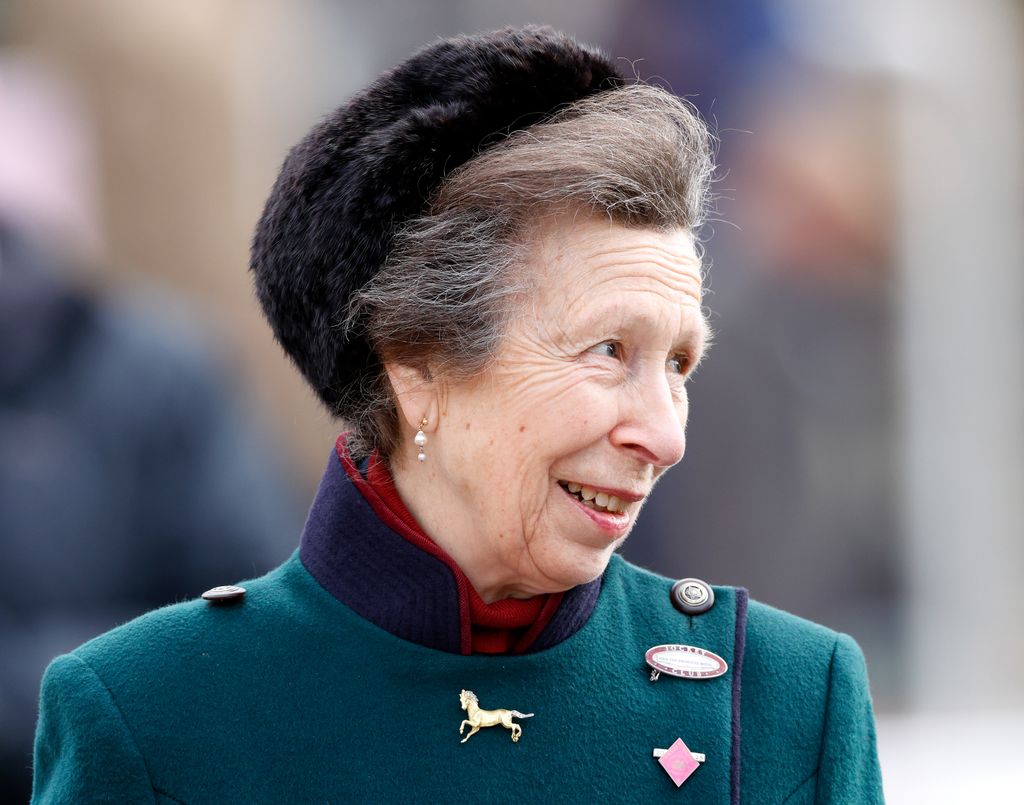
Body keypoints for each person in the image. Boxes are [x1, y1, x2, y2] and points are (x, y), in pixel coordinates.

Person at [32, 27, 883, 803]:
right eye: (607, 351)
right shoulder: (149, 717)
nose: (664, 435)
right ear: (418, 365)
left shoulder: (790, 702)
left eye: (680, 364)